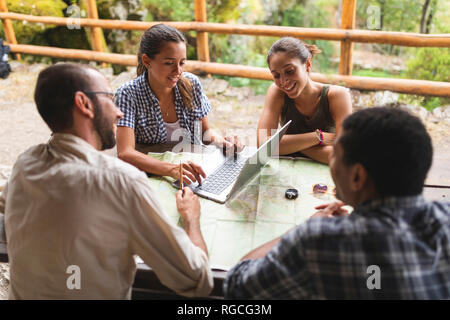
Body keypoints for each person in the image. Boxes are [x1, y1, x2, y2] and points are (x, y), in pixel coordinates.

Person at [0, 63, 213, 299]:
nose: (118, 112)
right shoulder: (120, 180)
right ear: (85, 104)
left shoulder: (24, 165)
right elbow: (196, 279)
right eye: (110, 99)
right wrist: (191, 218)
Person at [224, 107, 450, 299]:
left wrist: (304, 229)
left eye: (335, 155)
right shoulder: (444, 217)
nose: (330, 161)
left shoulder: (319, 241)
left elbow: (237, 284)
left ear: (357, 177)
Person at [115, 24, 242, 185]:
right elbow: (125, 153)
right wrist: (172, 169)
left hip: (194, 174)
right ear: (147, 61)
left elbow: (206, 133)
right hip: (150, 178)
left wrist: (223, 142)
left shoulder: (191, 84)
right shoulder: (128, 94)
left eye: (182, 63)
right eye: (169, 63)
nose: (178, 71)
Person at [257, 37, 352, 164]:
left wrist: (290, 147)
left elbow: (344, 156)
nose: (283, 81)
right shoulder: (277, 92)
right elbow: (263, 146)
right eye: (276, 75)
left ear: (307, 64)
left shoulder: (337, 95)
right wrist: (318, 137)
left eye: (290, 71)